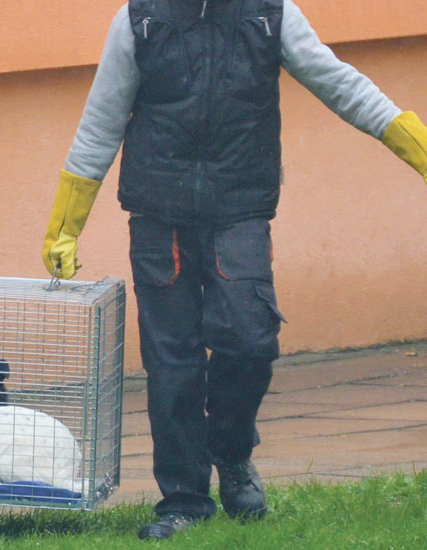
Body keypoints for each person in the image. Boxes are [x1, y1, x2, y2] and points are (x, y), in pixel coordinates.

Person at [42, 0, 426, 540]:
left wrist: (414, 144)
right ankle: (183, 502)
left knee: (249, 341)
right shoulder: (139, 19)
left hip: (240, 211)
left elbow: (342, 85)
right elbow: (101, 119)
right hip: (160, 216)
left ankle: (233, 451)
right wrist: (66, 223)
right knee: (172, 366)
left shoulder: (271, 13)